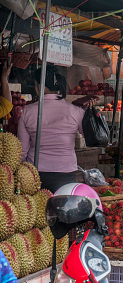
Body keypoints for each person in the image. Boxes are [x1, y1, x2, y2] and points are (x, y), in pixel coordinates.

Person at [18, 65, 86, 193]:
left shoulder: (27, 111)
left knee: (36, 211)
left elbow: (23, 150)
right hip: (65, 172)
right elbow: (89, 137)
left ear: (41, 87)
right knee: (61, 210)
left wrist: (19, 171)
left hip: (35, 173)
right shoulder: (76, 111)